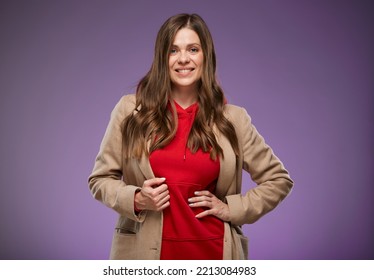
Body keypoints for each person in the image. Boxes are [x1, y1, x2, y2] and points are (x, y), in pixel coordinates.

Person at [88, 13, 293, 260]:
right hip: (145, 257)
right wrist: (138, 199)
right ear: (162, 58)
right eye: (173, 50)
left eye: (193, 49)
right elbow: (100, 179)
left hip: (214, 255)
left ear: (206, 56)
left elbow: (278, 180)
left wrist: (231, 209)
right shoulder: (130, 111)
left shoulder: (233, 119)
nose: (183, 59)